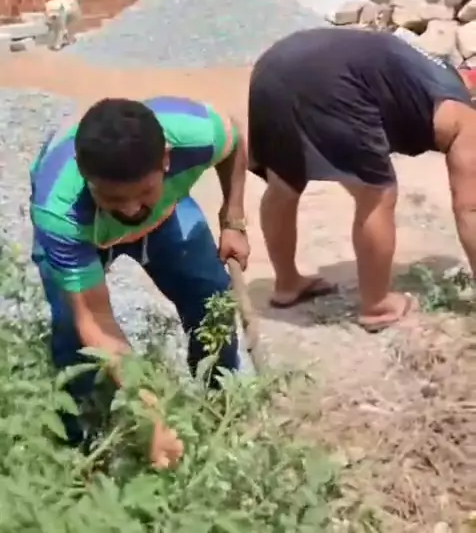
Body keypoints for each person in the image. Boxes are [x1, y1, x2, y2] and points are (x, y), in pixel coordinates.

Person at [30, 95, 249, 467]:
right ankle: (83, 449)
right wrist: (151, 413)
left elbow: (235, 144)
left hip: (166, 218)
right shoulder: (59, 210)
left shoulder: (199, 132)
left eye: (145, 191)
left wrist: (233, 220)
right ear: (85, 175)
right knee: (74, 337)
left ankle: (220, 411)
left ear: (166, 159)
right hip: (85, 234)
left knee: (212, 298)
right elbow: (97, 321)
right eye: (113, 197)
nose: (131, 209)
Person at [248, 27, 476, 333]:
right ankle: (377, 306)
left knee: (285, 183)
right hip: (332, 81)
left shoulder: (431, 70)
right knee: (377, 193)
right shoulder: (464, 113)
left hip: (274, 66)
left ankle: (287, 283)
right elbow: (470, 209)